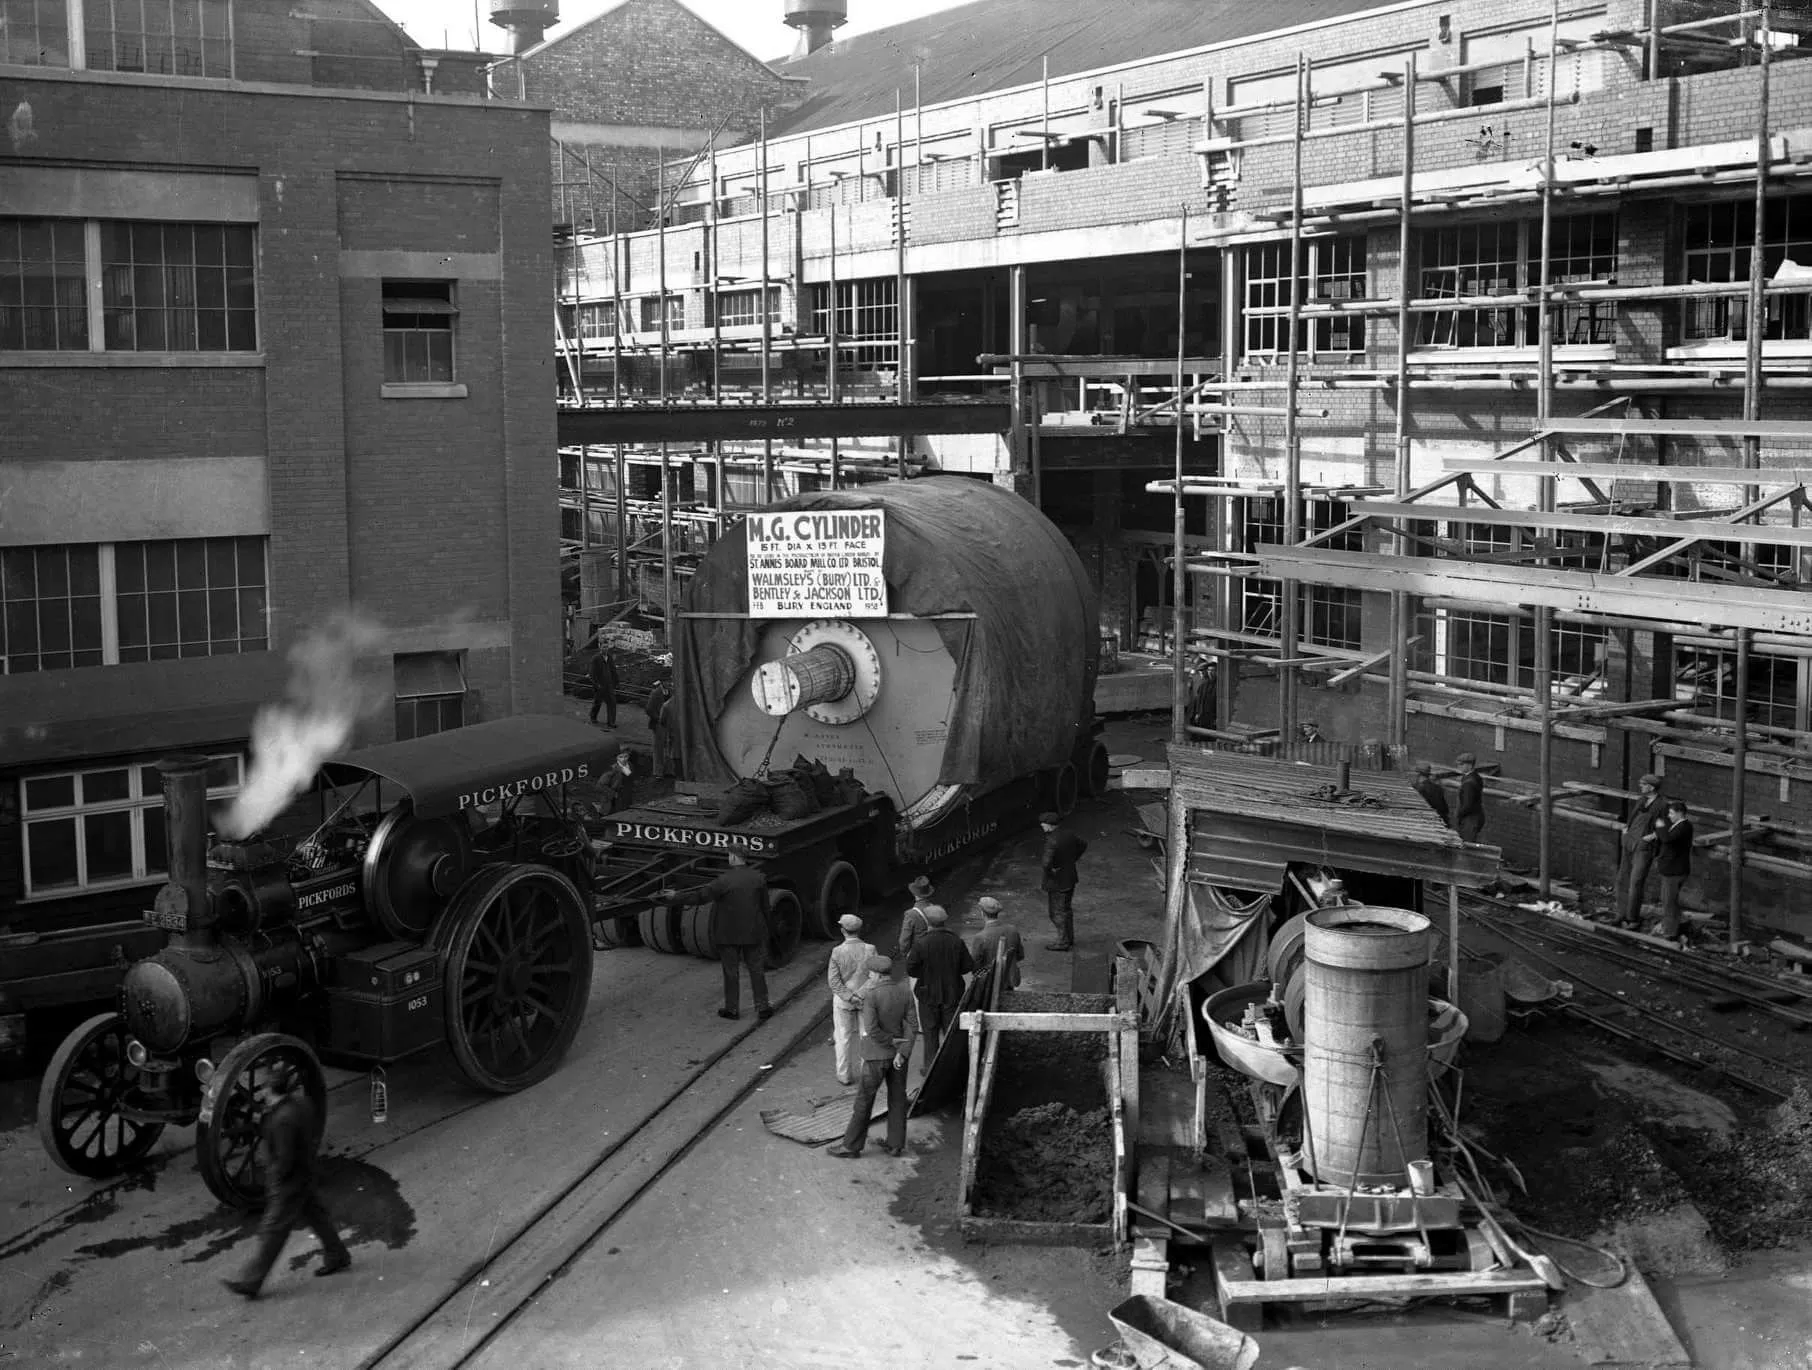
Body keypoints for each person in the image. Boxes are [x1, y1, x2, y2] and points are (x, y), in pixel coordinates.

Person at [221, 1061, 351, 1299]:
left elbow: (284, 1159)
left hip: (290, 1182)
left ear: (270, 1089)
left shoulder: (283, 1119)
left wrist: (274, 1179)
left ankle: (251, 1281)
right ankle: (337, 1254)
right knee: (316, 1215)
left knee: (273, 1229)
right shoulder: (300, 1104)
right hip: (305, 1173)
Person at [827, 955, 918, 1160]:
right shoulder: (905, 992)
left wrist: (891, 1043)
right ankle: (895, 1145)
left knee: (864, 1101)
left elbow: (872, 1030)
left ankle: (851, 1147)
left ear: (876, 974)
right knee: (897, 1099)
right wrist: (902, 1052)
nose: (869, 976)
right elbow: (913, 1026)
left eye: (870, 973)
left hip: (875, 1057)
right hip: (898, 1059)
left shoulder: (872, 996)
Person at [662, 851, 771, 1020]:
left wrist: (676, 896)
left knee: (731, 972)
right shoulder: (759, 878)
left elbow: (700, 897)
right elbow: (765, 907)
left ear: (734, 857)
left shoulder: (723, 881)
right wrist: (764, 929)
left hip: (728, 934)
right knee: (756, 969)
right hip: (753, 932)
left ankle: (732, 1009)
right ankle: (763, 1007)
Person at [905, 905, 973, 1070]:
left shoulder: (921, 943)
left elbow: (911, 969)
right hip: (952, 993)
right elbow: (967, 966)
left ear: (928, 922)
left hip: (927, 995)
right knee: (951, 1033)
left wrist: (925, 973)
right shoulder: (956, 941)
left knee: (930, 1033)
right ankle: (951, 1068)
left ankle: (929, 1067)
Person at [827, 913, 876, 1086]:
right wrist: (860, 995)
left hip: (843, 1002)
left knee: (842, 1038)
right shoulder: (870, 949)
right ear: (859, 930)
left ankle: (844, 1075)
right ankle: (866, 1075)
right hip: (865, 1000)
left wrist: (849, 996)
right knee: (866, 1036)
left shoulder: (837, 952)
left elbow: (833, 981)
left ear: (842, 930)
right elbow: (875, 976)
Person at [1616, 773, 1666, 929]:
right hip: (1629, 842)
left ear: (1651, 787)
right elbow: (1631, 819)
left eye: (1643, 784)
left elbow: (1663, 826)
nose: (1641, 786)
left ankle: (1632, 919)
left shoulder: (1661, 805)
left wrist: (1653, 835)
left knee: (1635, 882)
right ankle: (1621, 914)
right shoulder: (1641, 800)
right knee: (1622, 880)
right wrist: (1626, 830)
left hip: (1643, 847)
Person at [1646, 799, 1694, 943]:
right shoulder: (1677, 825)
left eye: (1672, 813)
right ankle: (1681, 923)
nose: (1670, 816)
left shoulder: (1684, 827)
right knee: (1668, 900)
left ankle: (1670, 932)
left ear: (1680, 813)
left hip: (1674, 871)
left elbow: (1667, 839)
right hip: (1672, 870)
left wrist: (1659, 825)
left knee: (1669, 902)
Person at [1039, 811, 1088, 951]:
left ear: (1049, 826)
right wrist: (1072, 860)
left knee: (1056, 912)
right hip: (1070, 877)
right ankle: (1069, 938)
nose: (1042, 827)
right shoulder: (1069, 834)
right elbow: (1083, 844)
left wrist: (1051, 872)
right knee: (1066, 909)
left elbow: (1046, 863)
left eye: (1043, 825)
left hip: (1057, 883)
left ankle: (1062, 942)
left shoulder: (1051, 841)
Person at [967, 895, 1024, 990]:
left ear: (982, 913)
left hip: (989, 984)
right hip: (1010, 980)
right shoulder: (1012, 930)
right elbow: (1020, 955)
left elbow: (975, 967)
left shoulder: (980, 937)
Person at [897, 874, 936, 962]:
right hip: (934, 950)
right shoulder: (935, 908)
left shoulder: (911, 914)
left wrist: (905, 954)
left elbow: (904, 940)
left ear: (915, 894)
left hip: (919, 954)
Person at [1453, 753, 1486, 843]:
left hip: (1470, 819)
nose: (1459, 766)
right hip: (1475, 816)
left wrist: (1459, 814)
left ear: (1470, 765)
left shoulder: (1469, 783)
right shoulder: (1475, 777)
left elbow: (1468, 804)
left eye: (1461, 764)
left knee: (1467, 843)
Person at [646, 677, 673, 780]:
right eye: (667, 681)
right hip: (658, 724)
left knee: (668, 747)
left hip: (668, 723)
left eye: (670, 681)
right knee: (658, 748)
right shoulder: (655, 693)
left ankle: (669, 770)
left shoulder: (670, 692)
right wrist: (658, 719)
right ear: (662, 682)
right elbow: (648, 709)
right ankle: (658, 771)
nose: (669, 683)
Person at [1411, 761, 1450, 827]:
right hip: (1440, 820)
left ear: (1418, 774)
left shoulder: (1417, 789)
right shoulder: (1437, 788)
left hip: (1426, 821)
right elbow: (1445, 809)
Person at [587, 644, 618, 728]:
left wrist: (616, 682)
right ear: (600, 647)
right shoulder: (596, 658)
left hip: (609, 685)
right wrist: (596, 684)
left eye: (607, 647)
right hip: (600, 685)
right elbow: (592, 673)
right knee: (598, 702)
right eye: (604, 647)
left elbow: (613, 670)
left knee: (612, 702)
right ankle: (593, 717)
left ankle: (611, 722)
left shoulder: (609, 658)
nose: (605, 649)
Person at [598, 749, 636, 816]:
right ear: (617, 758)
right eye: (621, 757)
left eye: (626, 756)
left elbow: (631, 779)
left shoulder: (630, 765)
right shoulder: (611, 770)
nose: (623, 759)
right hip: (613, 800)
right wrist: (614, 794)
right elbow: (600, 785)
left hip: (627, 797)